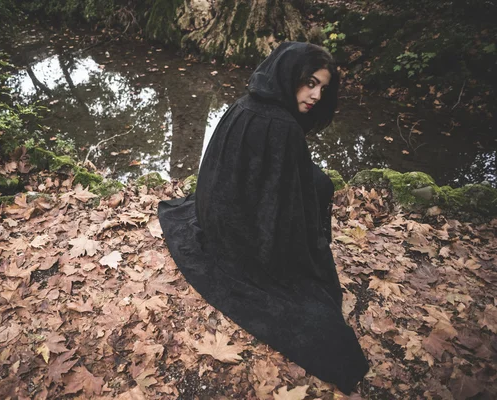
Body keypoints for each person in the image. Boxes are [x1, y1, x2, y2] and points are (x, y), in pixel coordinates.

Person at [158, 42, 369, 394]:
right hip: (236, 235)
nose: (316, 94)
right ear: (290, 76)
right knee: (320, 189)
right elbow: (274, 201)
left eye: (323, 88)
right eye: (310, 82)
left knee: (319, 182)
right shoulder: (282, 126)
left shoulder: (247, 103)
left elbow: (261, 179)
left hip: (212, 214)